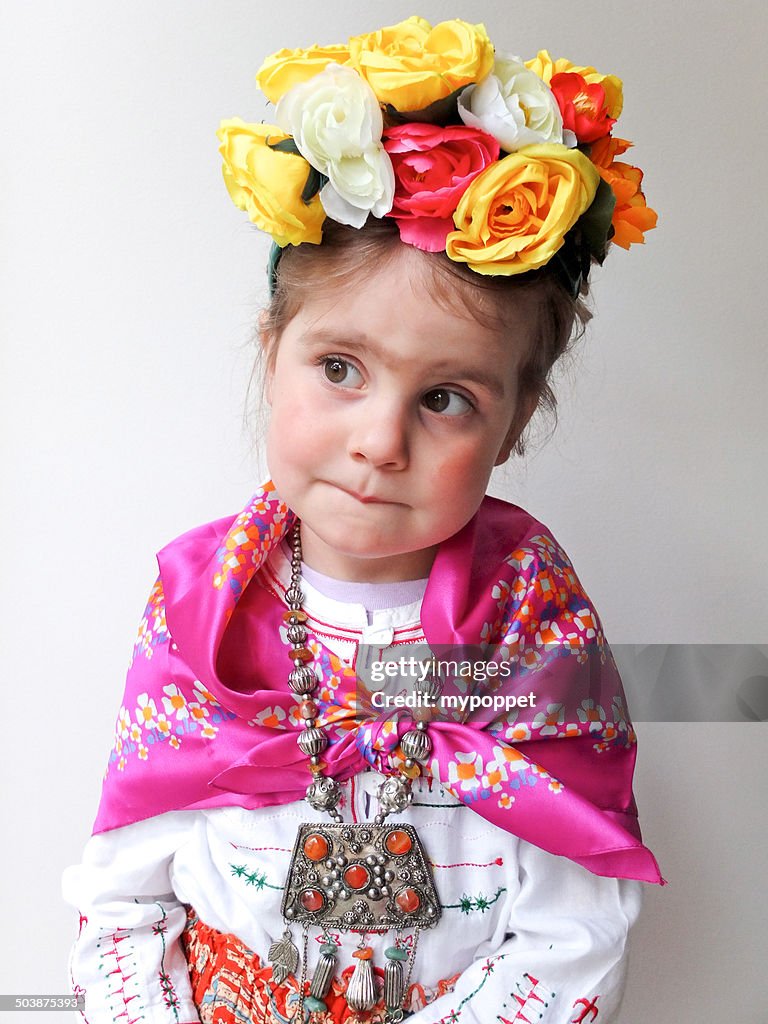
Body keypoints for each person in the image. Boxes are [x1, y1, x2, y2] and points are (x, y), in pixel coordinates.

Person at [62, 16, 662, 1024]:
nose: (382, 441)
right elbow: (123, 896)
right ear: (272, 348)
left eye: (447, 398)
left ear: (515, 422)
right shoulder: (200, 604)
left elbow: (573, 939)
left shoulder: (536, 628)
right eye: (340, 369)